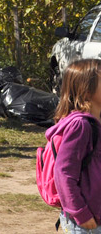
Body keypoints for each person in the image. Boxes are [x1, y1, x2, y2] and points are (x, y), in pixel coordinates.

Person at [46, 58, 101, 234]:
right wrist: (82, 214)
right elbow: (63, 173)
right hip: (85, 223)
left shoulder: (96, 122)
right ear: (87, 89)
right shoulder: (81, 126)